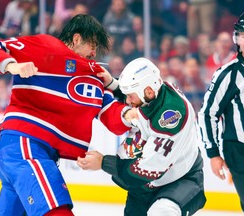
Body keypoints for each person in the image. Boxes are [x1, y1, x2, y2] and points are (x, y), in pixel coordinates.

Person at [0, 14, 131, 216]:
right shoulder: (44, 46)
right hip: (24, 148)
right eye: (92, 45)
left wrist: (130, 114)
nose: (94, 52)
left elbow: (114, 118)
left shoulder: (95, 76)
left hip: (37, 155)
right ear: (76, 39)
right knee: (57, 211)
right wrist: (12, 65)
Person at [77, 57, 206, 216]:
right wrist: (112, 84)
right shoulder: (153, 96)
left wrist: (103, 162)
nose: (127, 101)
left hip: (181, 180)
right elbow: (135, 99)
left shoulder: (170, 119)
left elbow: (143, 171)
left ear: (149, 91)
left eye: (130, 96)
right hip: (146, 187)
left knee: (161, 212)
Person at [198, 12, 244, 211]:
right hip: (239, 150)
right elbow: (208, 113)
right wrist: (213, 154)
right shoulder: (229, 74)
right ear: (237, 38)